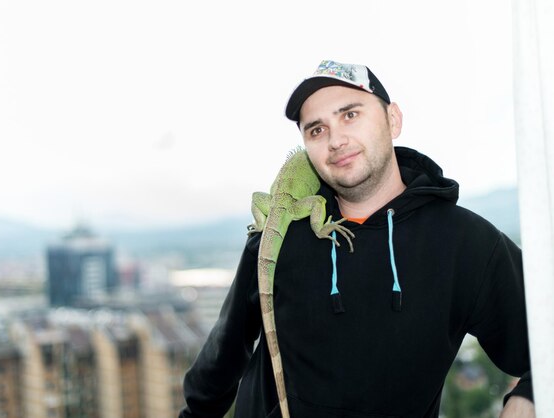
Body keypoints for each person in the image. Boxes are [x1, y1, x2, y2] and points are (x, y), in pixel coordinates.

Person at [178, 60, 534, 418]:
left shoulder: (465, 243)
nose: (335, 140)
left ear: (393, 119)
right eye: (316, 130)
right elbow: (219, 363)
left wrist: (528, 397)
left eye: (350, 115)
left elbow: (543, 341)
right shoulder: (277, 236)